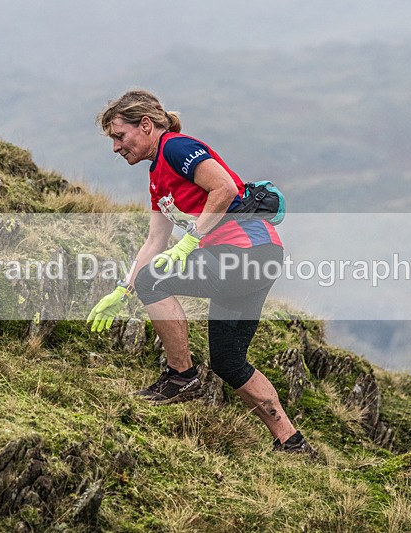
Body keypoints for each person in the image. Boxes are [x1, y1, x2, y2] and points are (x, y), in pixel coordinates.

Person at [87, 89, 316, 458]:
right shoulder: (156, 178)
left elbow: (223, 187)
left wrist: (189, 242)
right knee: (228, 361)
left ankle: (181, 377)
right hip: (251, 259)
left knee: (155, 280)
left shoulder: (177, 148)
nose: (115, 147)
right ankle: (292, 442)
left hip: (246, 253)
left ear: (145, 125)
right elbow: (154, 242)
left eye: (119, 135)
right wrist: (124, 290)